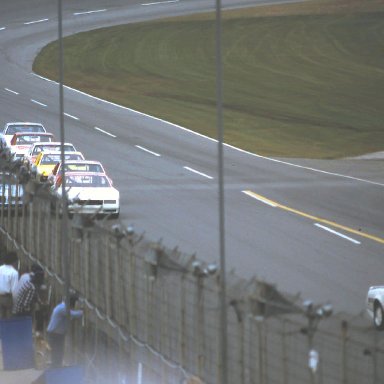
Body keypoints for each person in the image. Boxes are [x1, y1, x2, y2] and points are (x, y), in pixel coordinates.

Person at [46, 292, 83, 367]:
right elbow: (73, 314)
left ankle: (57, 366)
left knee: (59, 351)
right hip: (54, 334)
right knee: (57, 351)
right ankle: (55, 367)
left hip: (58, 333)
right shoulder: (63, 308)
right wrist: (83, 312)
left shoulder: (62, 307)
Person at [0, 251, 19, 318]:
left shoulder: (0, 269)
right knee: (9, 319)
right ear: (14, 261)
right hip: (8, 298)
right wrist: (15, 302)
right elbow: (14, 290)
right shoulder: (14, 272)